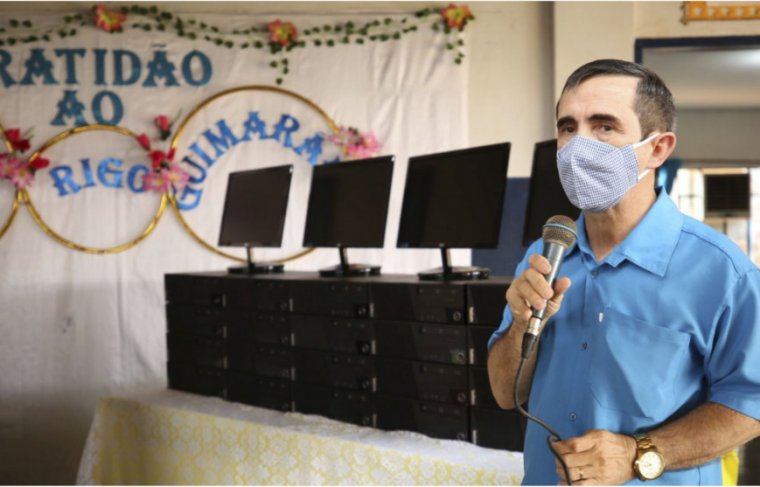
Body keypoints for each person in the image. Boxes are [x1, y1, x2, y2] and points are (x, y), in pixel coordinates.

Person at [487, 58, 760, 485]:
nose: (578, 146)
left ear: (658, 148)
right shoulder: (544, 255)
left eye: (604, 127)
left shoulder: (722, 272)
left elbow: (750, 403)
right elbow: (506, 394)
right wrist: (522, 325)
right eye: (568, 128)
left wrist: (639, 454)